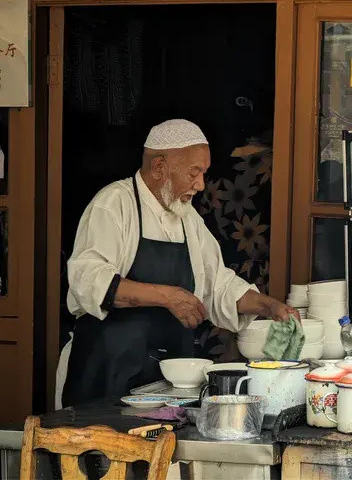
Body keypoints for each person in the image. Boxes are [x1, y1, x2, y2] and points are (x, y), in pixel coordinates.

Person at [61, 119, 298, 407]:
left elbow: (218, 286)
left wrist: (269, 306)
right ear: (160, 167)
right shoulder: (113, 205)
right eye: (194, 173)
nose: (200, 185)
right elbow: (88, 280)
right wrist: (167, 297)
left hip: (164, 387)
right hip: (106, 376)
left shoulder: (188, 219)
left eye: (203, 174)